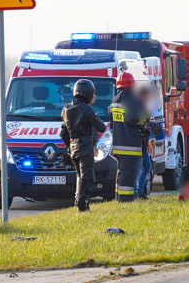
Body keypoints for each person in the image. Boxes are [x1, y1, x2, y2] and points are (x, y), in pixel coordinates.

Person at [60, 79, 106, 211]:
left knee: (80, 177)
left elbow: (63, 133)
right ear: (88, 94)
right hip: (85, 149)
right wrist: (94, 116)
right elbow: (101, 127)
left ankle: (81, 203)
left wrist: (69, 146)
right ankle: (82, 204)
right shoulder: (88, 110)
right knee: (89, 180)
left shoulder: (66, 110)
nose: (95, 96)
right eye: (93, 94)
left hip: (74, 150)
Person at [109, 71, 148, 202]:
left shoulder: (115, 100)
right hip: (131, 145)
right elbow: (133, 119)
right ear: (132, 85)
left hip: (118, 145)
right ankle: (126, 200)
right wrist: (145, 118)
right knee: (129, 174)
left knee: (120, 173)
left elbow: (112, 126)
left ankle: (118, 197)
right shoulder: (132, 99)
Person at [135, 85, 161, 199]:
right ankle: (138, 192)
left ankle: (141, 191)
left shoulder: (142, 107)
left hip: (143, 144)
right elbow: (140, 124)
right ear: (142, 95)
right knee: (142, 169)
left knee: (147, 167)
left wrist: (153, 126)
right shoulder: (138, 107)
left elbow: (145, 123)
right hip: (138, 144)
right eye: (147, 96)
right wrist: (150, 126)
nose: (148, 98)